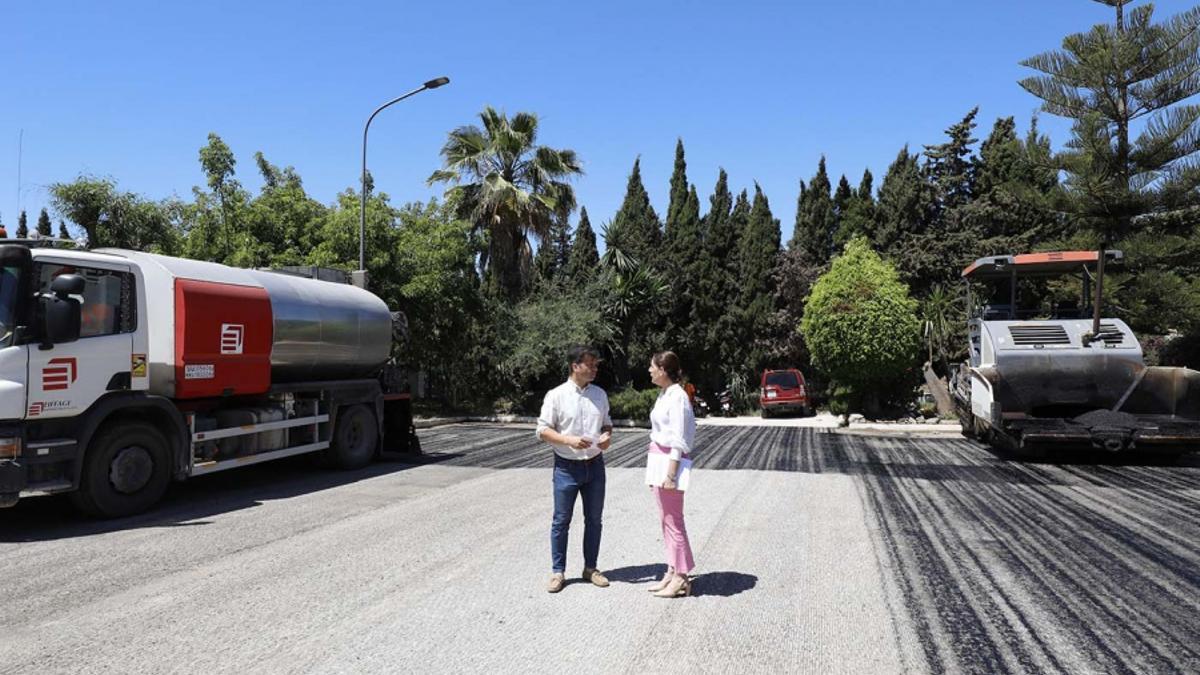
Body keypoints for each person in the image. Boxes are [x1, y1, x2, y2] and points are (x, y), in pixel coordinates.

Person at [536, 345, 613, 593]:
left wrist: (607, 437)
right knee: (561, 521)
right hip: (566, 467)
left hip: (595, 466)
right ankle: (558, 572)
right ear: (575, 366)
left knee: (594, 520)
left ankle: (591, 568)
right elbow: (542, 430)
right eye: (590, 364)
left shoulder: (600, 395)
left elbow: (607, 425)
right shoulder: (556, 395)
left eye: (596, 365)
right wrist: (568, 440)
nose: (594, 369)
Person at [646, 350, 696, 598]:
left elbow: (678, 438)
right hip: (658, 461)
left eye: (652, 367)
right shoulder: (665, 394)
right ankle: (672, 568)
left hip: (670, 463)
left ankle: (681, 577)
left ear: (663, 370)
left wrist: (670, 474)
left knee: (674, 521)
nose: (649, 370)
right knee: (665, 519)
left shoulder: (677, 396)